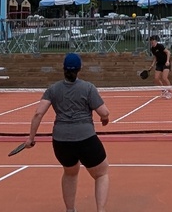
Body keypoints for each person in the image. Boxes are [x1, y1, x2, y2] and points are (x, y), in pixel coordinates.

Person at [24, 53, 110, 212]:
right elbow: (104, 112)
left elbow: (38, 113)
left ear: (63, 68)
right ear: (80, 69)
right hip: (86, 138)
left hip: (61, 142)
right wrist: (105, 119)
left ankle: (70, 210)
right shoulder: (88, 87)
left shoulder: (53, 89)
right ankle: (101, 210)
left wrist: (31, 138)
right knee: (102, 173)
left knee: (70, 173)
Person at [148, 35, 172, 99]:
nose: (151, 43)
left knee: (164, 78)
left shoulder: (160, 46)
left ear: (155, 41)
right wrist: (152, 65)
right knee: (156, 79)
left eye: (152, 42)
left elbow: (168, 52)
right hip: (159, 64)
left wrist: (167, 61)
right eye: (150, 42)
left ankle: (170, 92)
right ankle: (164, 91)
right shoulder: (152, 49)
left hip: (165, 63)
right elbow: (156, 57)